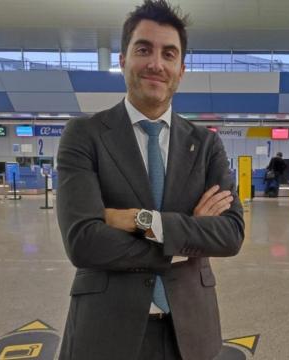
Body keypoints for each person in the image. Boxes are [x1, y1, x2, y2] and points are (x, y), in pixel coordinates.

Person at [56, 2, 245, 359]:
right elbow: (83, 241)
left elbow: (230, 234)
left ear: (181, 69)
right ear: (122, 60)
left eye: (168, 54)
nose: (156, 64)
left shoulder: (205, 144)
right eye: (143, 49)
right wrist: (184, 238)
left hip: (190, 331)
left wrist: (140, 221)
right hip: (105, 330)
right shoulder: (85, 135)